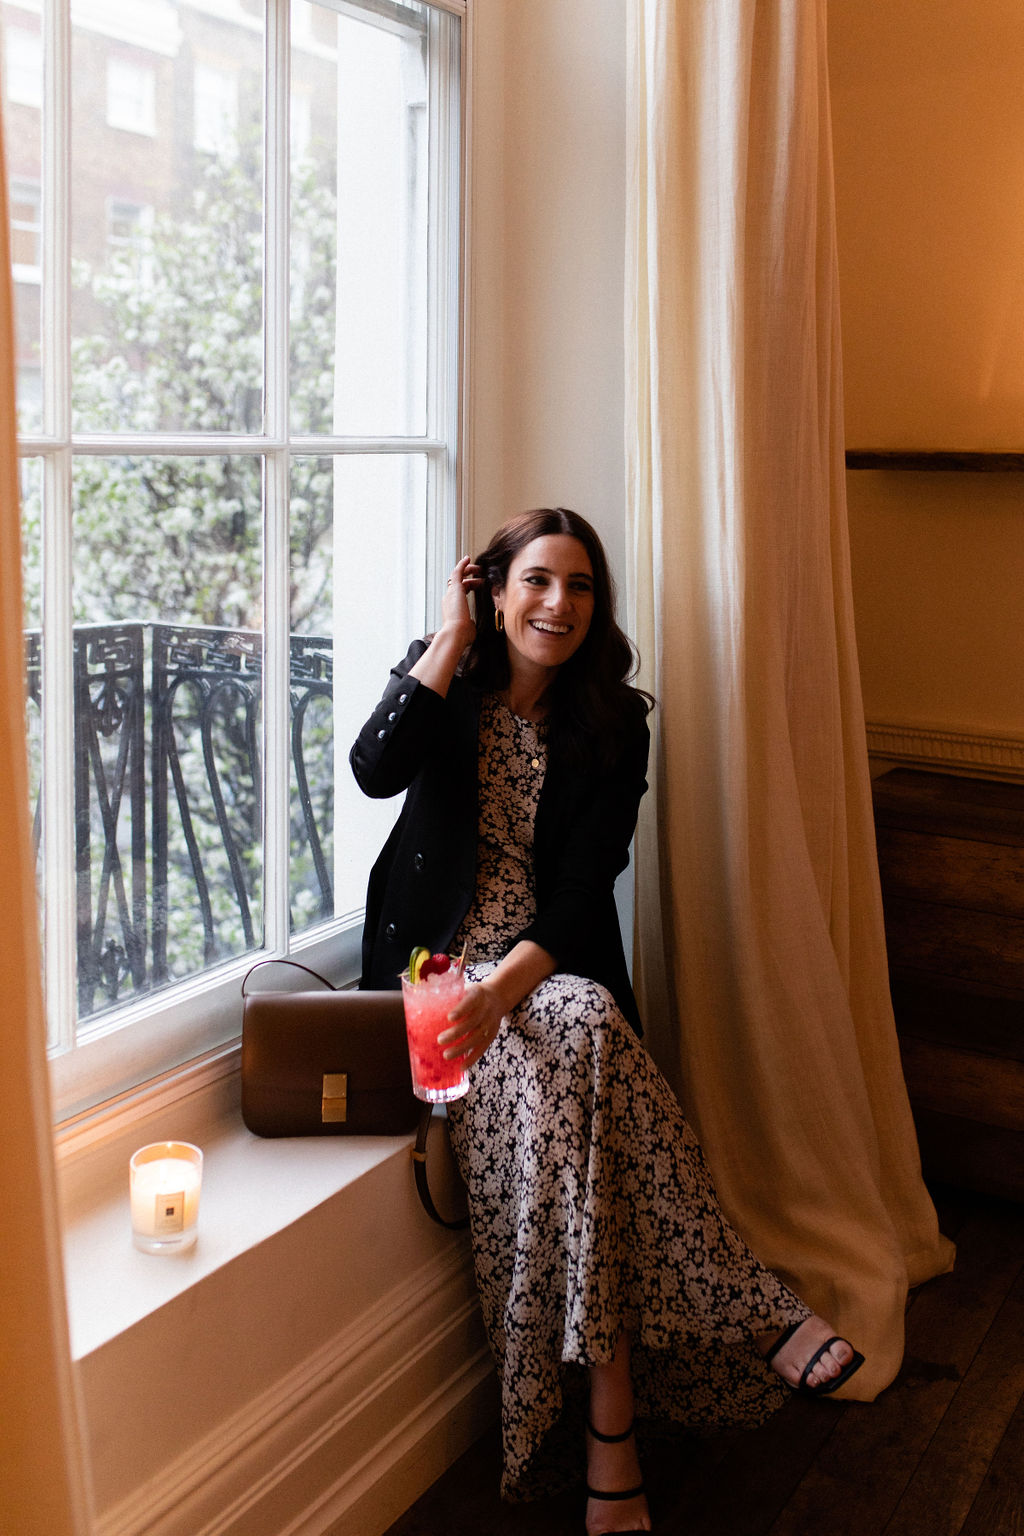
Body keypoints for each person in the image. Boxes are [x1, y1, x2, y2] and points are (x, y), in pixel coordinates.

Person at [350, 508, 864, 1536]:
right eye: (536, 581)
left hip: (537, 972)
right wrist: (447, 639)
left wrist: (506, 993)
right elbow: (373, 770)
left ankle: (607, 1431)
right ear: (494, 593)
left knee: (578, 1051)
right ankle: (746, 1321)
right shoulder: (445, 678)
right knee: (586, 1041)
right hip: (437, 977)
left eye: (579, 585)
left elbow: (587, 889)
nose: (558, 603)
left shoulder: (615, 721)